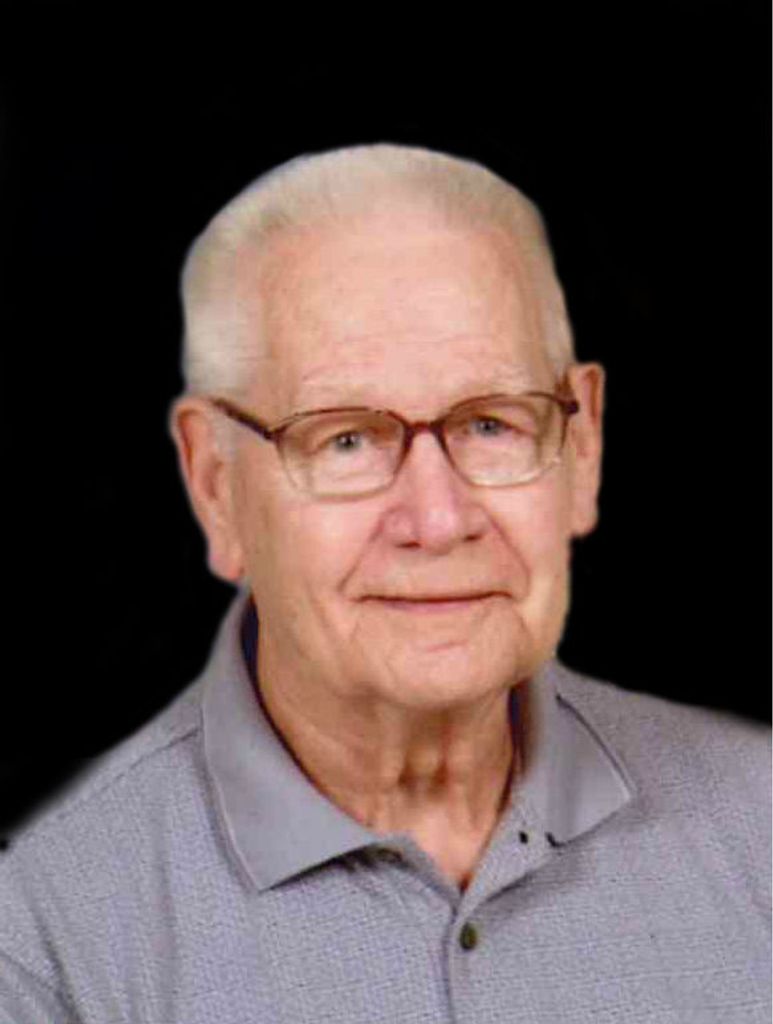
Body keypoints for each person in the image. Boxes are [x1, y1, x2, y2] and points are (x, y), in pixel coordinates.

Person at [0, 144, 769, 1023]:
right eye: (346, 440)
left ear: (583, 447)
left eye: (490, 424)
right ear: (216, 485)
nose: (438, 520)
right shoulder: (45, 939)